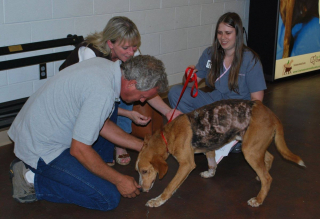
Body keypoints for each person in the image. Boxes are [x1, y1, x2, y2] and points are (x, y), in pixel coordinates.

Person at [8, 55, 168, 211]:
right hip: (41, 149)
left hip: (32, 132)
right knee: (108, 197)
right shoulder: (102, 92)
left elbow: (102, 124)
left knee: (99, 173)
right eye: (142, 96)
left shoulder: (106, 67)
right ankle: (31, 179)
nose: (141, 101)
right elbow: (79, 149)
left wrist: (143, 146)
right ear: (132, 83)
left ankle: (35, 170)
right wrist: (119, 180)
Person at [60, 16, 181, 166]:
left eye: (135, 47)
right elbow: (94, 101)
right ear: (110, 43)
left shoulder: (129, 50)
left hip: (104, 91)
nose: (131, 52)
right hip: (75, 95)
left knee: (131, 92)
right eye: (125, 48)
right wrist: (128, 113)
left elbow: (145, 85)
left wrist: (168, 112)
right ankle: (101, 153)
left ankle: (119, 142)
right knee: (113, 100)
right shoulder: (89, 53)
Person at [168, 12, 267, 153]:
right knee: (175, 92)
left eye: (228, 33)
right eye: (220, 33)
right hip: (215, 103)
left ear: (237, 34)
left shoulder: (250, 60)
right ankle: (197, 133)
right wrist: (188, 77)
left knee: (237, 114)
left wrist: (244, 125)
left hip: (236, 110)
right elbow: (190, 85)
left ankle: (232, 137)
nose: (223, 37)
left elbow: (257, 101)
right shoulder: (210, 54)